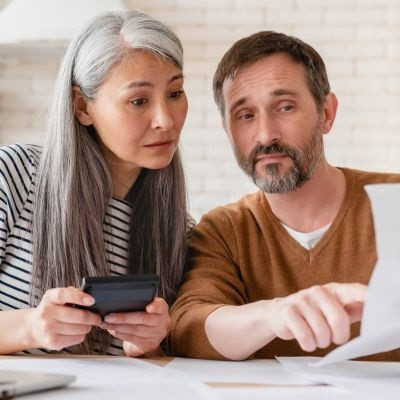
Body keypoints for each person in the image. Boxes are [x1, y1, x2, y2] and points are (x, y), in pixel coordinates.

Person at [169, 31, 400, 361]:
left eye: (285, 107)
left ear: (326, 113)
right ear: (227, 131)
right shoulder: (225, 230)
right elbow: (189, 328)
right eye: (245, 115)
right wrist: (275, 314)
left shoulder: (394, 202)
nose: (265, 135)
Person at [0, 10, 190, 356]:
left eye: (175, 93)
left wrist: (150, 348)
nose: (166, 120)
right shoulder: (15, 177)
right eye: (138, 101)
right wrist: (30, 327)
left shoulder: (181, 231)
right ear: (81, 106)